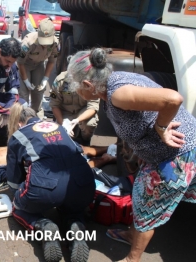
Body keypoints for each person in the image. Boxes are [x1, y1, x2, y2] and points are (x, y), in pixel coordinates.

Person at [66, 48, 196, 262]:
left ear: (88, 85)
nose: (77, 92)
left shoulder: (118, 93)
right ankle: (133, 235)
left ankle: (132, 259)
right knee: (140, 194)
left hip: (177, 153)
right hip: (160, 154)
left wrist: (161, 128)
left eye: (77, 88)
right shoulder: (111, 87)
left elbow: (173, 99)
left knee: (148, 207)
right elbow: (138, 120)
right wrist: (138, 151)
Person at [6, 103, 95, 262]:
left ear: (19, 123)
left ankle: (44, 226)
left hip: (47, 188)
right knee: (72, 208)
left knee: (17, 206)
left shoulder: (18, 135)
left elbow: (14, 178)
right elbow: (78, 150)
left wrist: (18, 194)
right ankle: (76, 227)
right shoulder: (58, 126)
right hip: (84, 183)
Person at [18, 18, 59, 114]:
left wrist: (45, 79)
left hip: (39, 65)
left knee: (38, 92)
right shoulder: (28, 42)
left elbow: (51, 61)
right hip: (25, 65)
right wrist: (25, 80)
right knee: (23, 94)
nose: (45, 45)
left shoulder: (55, 44)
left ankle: (35, 116)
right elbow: (20, 62)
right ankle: (22, 117)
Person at [50, 71, 99, 145]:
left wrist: (77, 120)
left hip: (83, 111)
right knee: (64, 138)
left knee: (90, 123)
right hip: (65, 112)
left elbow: (92, 107)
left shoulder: (91, 81)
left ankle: (85, 140)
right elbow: (54, 105)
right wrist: (62, 124)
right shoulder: (60, 80)